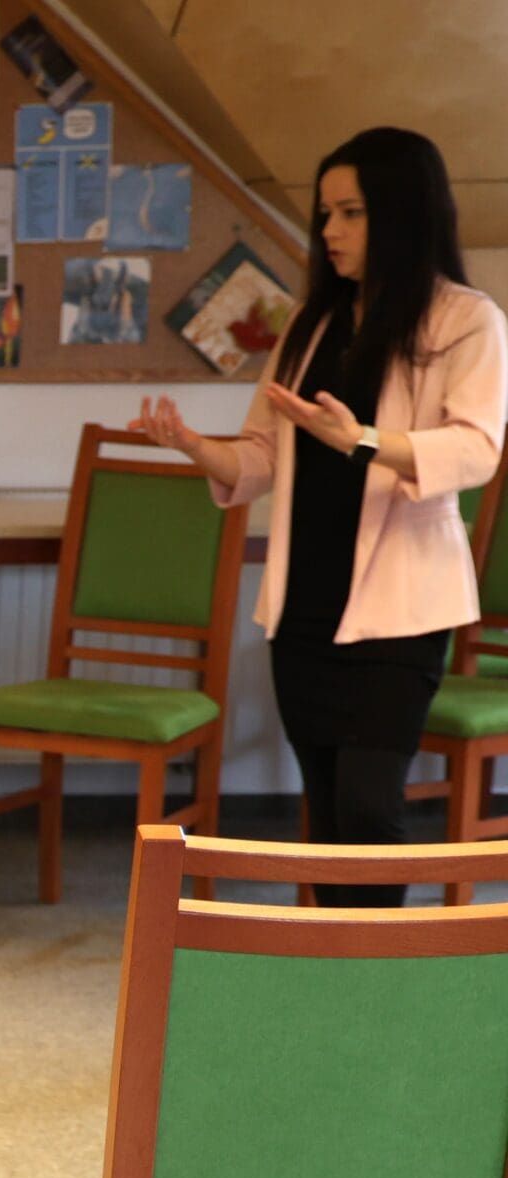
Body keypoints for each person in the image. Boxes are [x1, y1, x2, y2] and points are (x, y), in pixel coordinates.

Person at [139, 127, 507, 905]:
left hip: (400, 611)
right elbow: (261, 456)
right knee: (329, 813)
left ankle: (376, 973)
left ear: (401, 213)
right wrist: (195, 447)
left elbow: (476, 450)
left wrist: (363, 440)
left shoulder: (467, 320)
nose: (329, 230)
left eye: (351, 212)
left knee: (370, 811)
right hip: (306, 604)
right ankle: (335, 965)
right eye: (325, 213)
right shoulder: (311, 322)